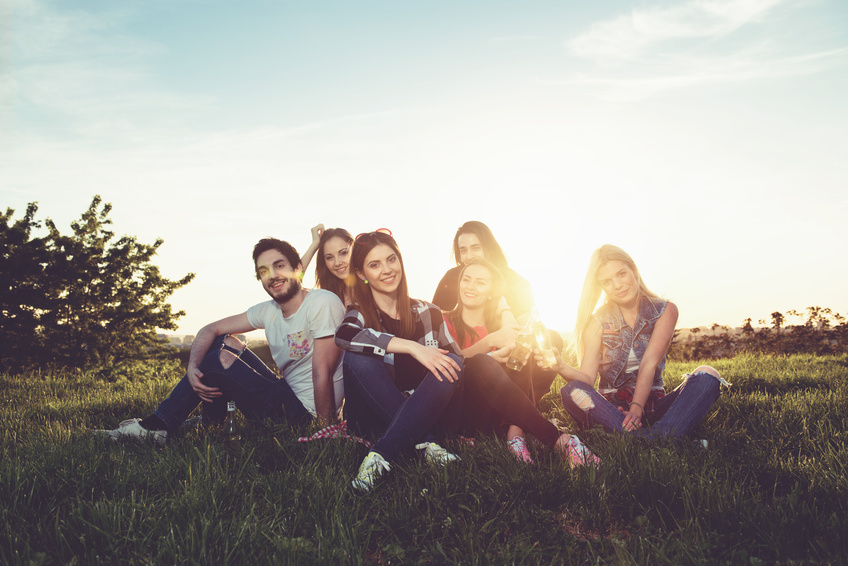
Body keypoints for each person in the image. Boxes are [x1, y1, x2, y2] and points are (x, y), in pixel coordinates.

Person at [97, 238, 345, 444]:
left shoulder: (321, 302)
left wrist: (323, 430)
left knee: (217, 362)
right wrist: (193, 367)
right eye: (263, 271)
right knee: (220, 343)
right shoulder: (269, 310)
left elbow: (323, 371)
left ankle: (156, 426)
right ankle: (210, 422)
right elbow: (210, 328)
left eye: (279, 266)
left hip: (305, 415)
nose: (273, 276)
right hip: (287, 392)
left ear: (297, 268)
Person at [335, 229, 464, 492]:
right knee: (357, 358)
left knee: (452, 361)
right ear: (361, 274)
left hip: (422, 411)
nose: (386, 269)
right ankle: (426, 444)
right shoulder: (358, 311)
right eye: (374, 264)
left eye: (391, 259)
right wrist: (412, 348)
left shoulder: (429, 312)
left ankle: (381, 455)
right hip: (371, 419)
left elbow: (458, 363)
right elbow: (344, 335)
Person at [555, 244, 724, 441]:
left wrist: (636, 408)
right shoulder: (596, 322)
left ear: (633, 270)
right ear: (601, 287)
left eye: (621, 274)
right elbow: (587, 380)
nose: (617, 285)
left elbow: (649, 363)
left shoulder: (664, 310)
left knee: (708, 375)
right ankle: (662, 439)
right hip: (610, 410)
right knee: (572, 391)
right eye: (607, 282)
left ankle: (639, 439)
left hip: (654, 407)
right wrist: (559, 366)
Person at [444, 259, 597, 465]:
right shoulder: (443, 319)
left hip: (498, 410)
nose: (470, 286)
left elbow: (518, 337)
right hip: (464, 409)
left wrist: (504, 308)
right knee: (481, 362)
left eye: (480, 282)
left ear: (492, 291)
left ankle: (515, 435)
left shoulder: (499, 324)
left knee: (521, 348)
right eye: (466, 280)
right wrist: (489, 344)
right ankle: (559, 441)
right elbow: (447, 362)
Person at [432, 221, 535, 321]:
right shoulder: (452, 277)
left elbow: (526, 329)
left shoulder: (517, 283)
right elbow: (435, 319)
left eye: (476, 248)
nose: (469, 256)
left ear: (489, 248)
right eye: (463, 250)